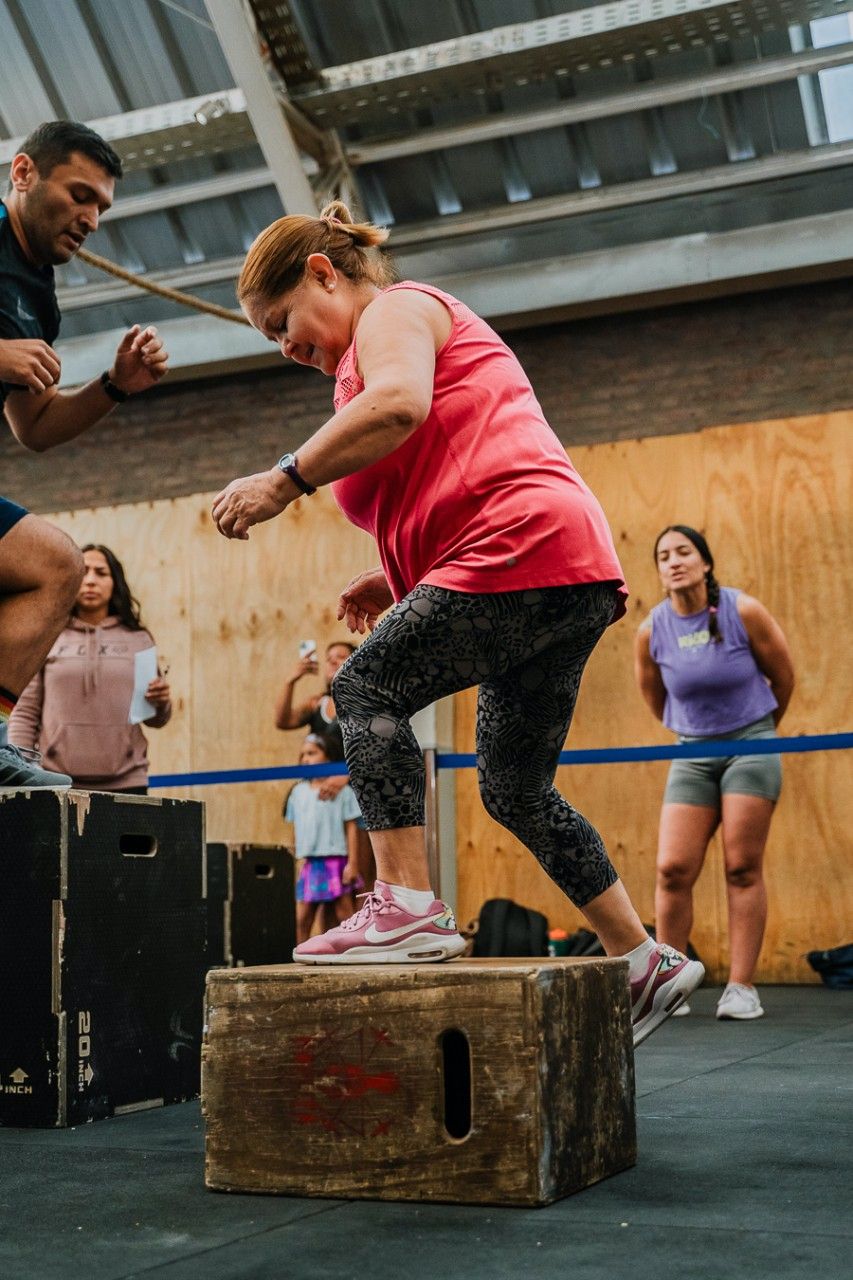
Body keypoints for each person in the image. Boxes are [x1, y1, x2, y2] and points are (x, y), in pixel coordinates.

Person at [211, 200, 704, 1046]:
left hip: (520, 547)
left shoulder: (395, 309)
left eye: (282, 323)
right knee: (514, 786)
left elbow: (402, 406)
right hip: (558, 567)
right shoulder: (355, 363)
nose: (285, 347)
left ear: (324, 272)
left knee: (363, 685)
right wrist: (395, 572)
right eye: (270, 339)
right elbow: (451, 459)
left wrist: (284, 479)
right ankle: (641, 958)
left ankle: (404, 906)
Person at [0, 120, 168, 789]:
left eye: (101, 206)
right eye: (79, 195)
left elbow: (34, 426)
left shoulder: (36, 293)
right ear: (22, 174)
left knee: (55, 565)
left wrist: (112, 388)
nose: (92, 218)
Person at [634, 526, 795, 1021]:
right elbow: (657, 700)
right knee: (672, 869)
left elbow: (783, 677)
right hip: (692, 751)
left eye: (684, 552)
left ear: (705, 563)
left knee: (741, 867)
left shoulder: (742, 611)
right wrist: (695, 730)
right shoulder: (651, 631)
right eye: (664, 556)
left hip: (751, 743)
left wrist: (760, 732)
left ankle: (742, 988)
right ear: (659, 571)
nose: (674, 561)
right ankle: (670, 986)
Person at [9, 544, 172, 793]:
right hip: (56, 782)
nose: (91, 580)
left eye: (101, 573)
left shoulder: (138, 639)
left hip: (128, 782)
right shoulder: (48, 636)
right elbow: (25, 713)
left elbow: (154, 718)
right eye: (83, 571)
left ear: (115, 582)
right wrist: (22, 772)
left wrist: (161, 703)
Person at [285, 732, 362, 944]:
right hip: (311, 862)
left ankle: (353, 952)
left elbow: (352, 828)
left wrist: (353, 863)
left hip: (336, 860)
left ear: (327, 758)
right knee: (303, 917)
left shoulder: (343, 792)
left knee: (344, 913)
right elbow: (296, 829)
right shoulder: (298, 792)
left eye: (312, 753)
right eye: (302, 755)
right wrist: (298, 858)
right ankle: (300, 955)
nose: (306, 759)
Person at [275, 639, 356, 762]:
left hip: (351, 778)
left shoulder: (367, 702)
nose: (333, 661)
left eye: (341, 657)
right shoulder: (317, 703)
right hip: (320, 777)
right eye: (328, 659)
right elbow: (283, 721)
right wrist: (290, 681)